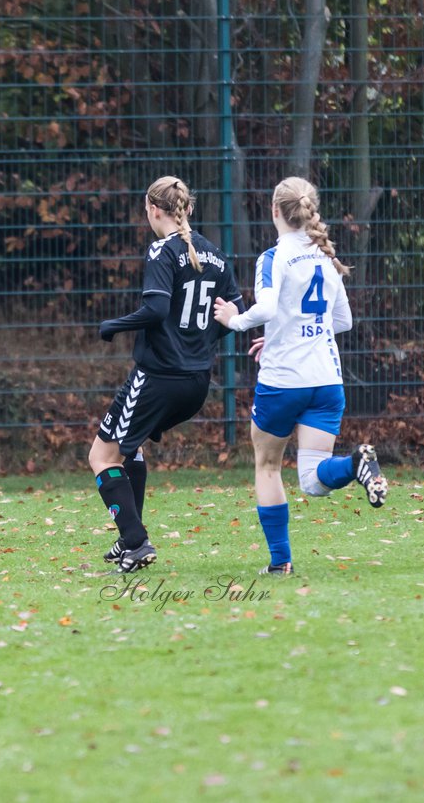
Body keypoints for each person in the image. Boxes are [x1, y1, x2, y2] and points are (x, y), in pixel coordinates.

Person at [214, 176, 387, 576]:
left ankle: (280, 563)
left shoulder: (274, 257)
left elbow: (269, 308)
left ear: (274, 211)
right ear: (312, 209)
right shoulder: (324, 256)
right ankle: (357, 463)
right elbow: (341, 320)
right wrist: (282, 336)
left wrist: (235, 320)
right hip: (326, 380)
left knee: (268, 466)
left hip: (284, 381)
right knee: (312, 480)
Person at [90, 177, 244, 573]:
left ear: (151, 209)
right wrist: (200, 342)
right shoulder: (215, 254)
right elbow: (235, 315)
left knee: (102, 455)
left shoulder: (161, 250)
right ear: (188, 209)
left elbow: (156, 311)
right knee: (131, 446)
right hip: (196, 383)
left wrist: (114, 325)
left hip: (159, 376)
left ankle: (136, 542)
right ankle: (130, 535)